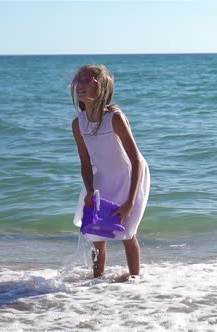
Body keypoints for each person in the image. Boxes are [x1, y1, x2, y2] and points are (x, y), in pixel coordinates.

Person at [70, 64, 150, 278]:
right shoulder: (78, 124)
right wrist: (89, 191)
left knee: (126, 231)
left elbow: (136, 161)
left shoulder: (114, 118)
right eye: (79, 80)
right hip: (102, 177)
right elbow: (85, 163)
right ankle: (97, 283)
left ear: (101, 87)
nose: (81, 85)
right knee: (96, 234)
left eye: (88, 81)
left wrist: (130, 202)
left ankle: (136, 280)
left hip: (129, 175)